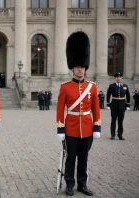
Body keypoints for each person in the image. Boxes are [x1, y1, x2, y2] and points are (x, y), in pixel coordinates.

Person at [56, 31, 101, 196]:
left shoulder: (92, 87)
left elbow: (96, 108)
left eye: (82, 67)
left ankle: (82, 184)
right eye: (77, 67)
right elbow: (60, 109)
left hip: (88, 128)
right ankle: (69, 184)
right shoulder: (65, 87)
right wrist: (60, 129)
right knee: (71, 158)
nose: (80, 70)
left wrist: (97, 127)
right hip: (71, 127)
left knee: (84, 158)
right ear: (72, 68)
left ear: (85, 68)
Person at [106, 72, 130, 140]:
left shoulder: (125, 86)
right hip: (114, 105)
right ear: (115, 78)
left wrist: (128, 104)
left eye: (120, 77)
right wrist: (108, 104)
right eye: (117, 77)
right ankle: (113, 135)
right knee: (113, 120)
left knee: (120, 120)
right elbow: (108, 95)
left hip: (122, 105)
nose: (118, 78)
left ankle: (120, 135)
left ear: (121, 78)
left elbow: (128, 95)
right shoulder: (112, 86)